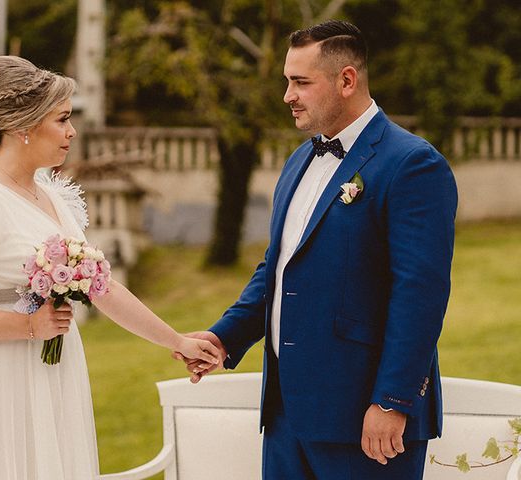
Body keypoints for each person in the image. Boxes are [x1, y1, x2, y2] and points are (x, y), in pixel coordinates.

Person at [175, 20, 458, 479]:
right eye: (288, 81)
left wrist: (392, 400)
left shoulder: (413, 164)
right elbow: (280, 268)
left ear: (347, 80)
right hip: (286, 414)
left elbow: (420, 295)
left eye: (300, 82)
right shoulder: (300, 159)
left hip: (367, 419)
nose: (288, 95)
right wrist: (225, 337)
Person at [0, 55, 220, 480]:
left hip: (53, 370)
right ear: (24, 125)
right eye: (62, 120)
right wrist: (28, 327)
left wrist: (176, 341)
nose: (72, 131)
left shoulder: (52, 196)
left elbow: (103, 287)